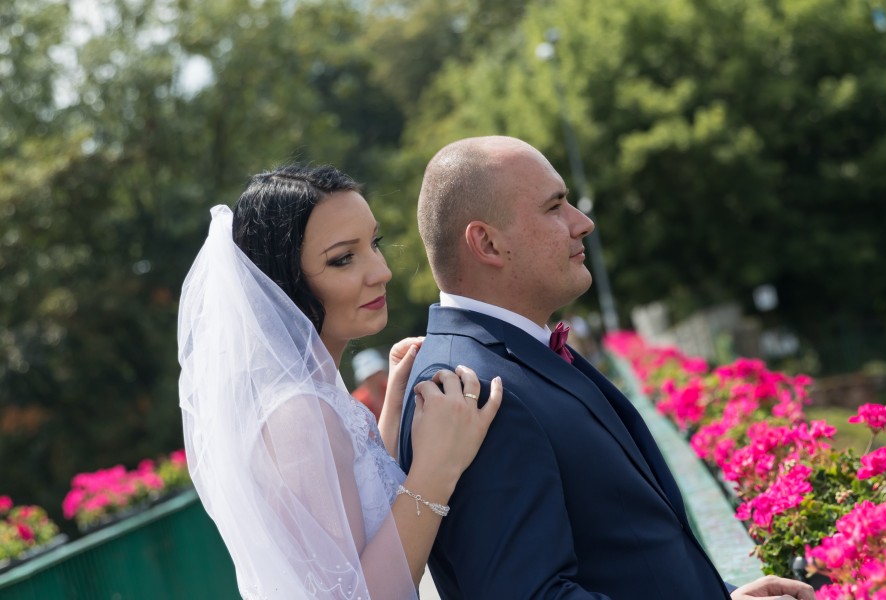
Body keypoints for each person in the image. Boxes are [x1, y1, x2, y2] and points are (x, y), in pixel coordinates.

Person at [398, 136, 816, 600]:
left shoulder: (507, 356)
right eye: (554, 207)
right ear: (487, 242)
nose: (583, 222)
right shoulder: (470, 389)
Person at [177, 164, 502, 599]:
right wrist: (437, 467)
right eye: (343, 258)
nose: (381, 271)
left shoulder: (316, 396)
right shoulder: (296, 415)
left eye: (374, 244)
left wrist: (394, 404)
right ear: (282, 281)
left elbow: (361, 506)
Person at [351, 348, 389, 420]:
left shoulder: (391, 388)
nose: (375, 379)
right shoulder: (357, 402)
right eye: (370, 377)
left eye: (377, 373)